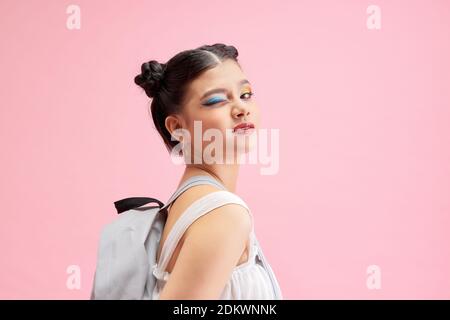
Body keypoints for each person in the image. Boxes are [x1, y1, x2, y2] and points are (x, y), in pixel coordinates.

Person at [134, 43, 282, 299]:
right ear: (177, 127)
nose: (241, 109)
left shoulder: (188, 200)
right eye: (216, 101)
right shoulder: (224, 215)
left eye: (245, 94)